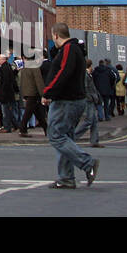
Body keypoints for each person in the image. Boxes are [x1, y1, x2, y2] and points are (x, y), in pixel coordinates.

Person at [41, 24, 98, 189]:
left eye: (53, 37)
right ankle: (66, 177)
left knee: (56, 136)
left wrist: (48, 92)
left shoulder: (69, 49)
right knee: (65, 137)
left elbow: (63, 73)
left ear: (56, 35)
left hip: (66, 100)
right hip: (73, 99)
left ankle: (88, 163)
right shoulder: (74, 49)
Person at [17, 56, 48, 137]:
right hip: (33, 93)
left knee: (37, 112)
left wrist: (23, 94)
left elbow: (22, 82)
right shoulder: (35, 67)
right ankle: (22, 129)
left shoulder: (24, 68)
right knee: (28, 112)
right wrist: (43, 94)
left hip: (27, 93)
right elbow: (39, 81)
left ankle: (47, 129)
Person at [72, 63, 102, 147]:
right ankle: (72, 137)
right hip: (88, 100)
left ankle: (94, 141)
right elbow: (84, 88)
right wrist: (90, 97)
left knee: (94, 121)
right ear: (89, 66)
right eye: (91, 66)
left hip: (91, 99)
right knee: (88, 121)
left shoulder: (88, 75)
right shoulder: (85, 75)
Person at [0, 53, 19, 132]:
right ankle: (15, 125)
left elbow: (6, 81)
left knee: (6, 111)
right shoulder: (7, 67)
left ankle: (7, 127)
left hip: (5, 94)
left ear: (3, 60)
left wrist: (2, 93)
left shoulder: (4, 68)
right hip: (8, 93)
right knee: (9, 110)